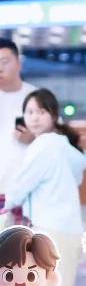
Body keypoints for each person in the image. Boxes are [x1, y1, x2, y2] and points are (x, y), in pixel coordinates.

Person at [2, 88, 86, 286]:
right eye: (29, 112)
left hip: (51, 230)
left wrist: (6, 202)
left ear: (53, 115)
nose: (34, 117)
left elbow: (19, 189)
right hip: (66, 229)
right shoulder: (63, 145)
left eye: (41, 112)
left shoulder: (44, 145)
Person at [0, 39, 36, 223]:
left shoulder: (37, 98)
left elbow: (58, 140)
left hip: (25, 190)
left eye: (4, 61)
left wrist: (34, 137)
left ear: (19, 63)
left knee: (21, 238)